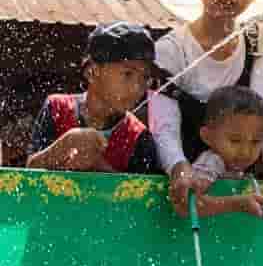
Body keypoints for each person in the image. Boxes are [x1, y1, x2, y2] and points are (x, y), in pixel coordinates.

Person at [148, 0, 263, 216]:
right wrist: (178, 168)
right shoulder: (170, 50)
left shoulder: (257, 39)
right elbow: (163, 126)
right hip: (174, 185)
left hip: (235, 186)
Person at [27, 23, 162, 175]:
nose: (137, 88)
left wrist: (99, 166)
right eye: (128, 74)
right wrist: (63, 146)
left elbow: (137, 190)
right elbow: (28, 173)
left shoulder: (138, 137)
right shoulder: (57, 108)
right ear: (92, 72)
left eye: (145, 77)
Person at [186, 85, 263, 218]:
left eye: (255, 141)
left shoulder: (233, 166)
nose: (245, 152)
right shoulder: (211, 163)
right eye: (235, 141)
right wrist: (237, 204)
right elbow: (187, 204)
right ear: (207, 136)